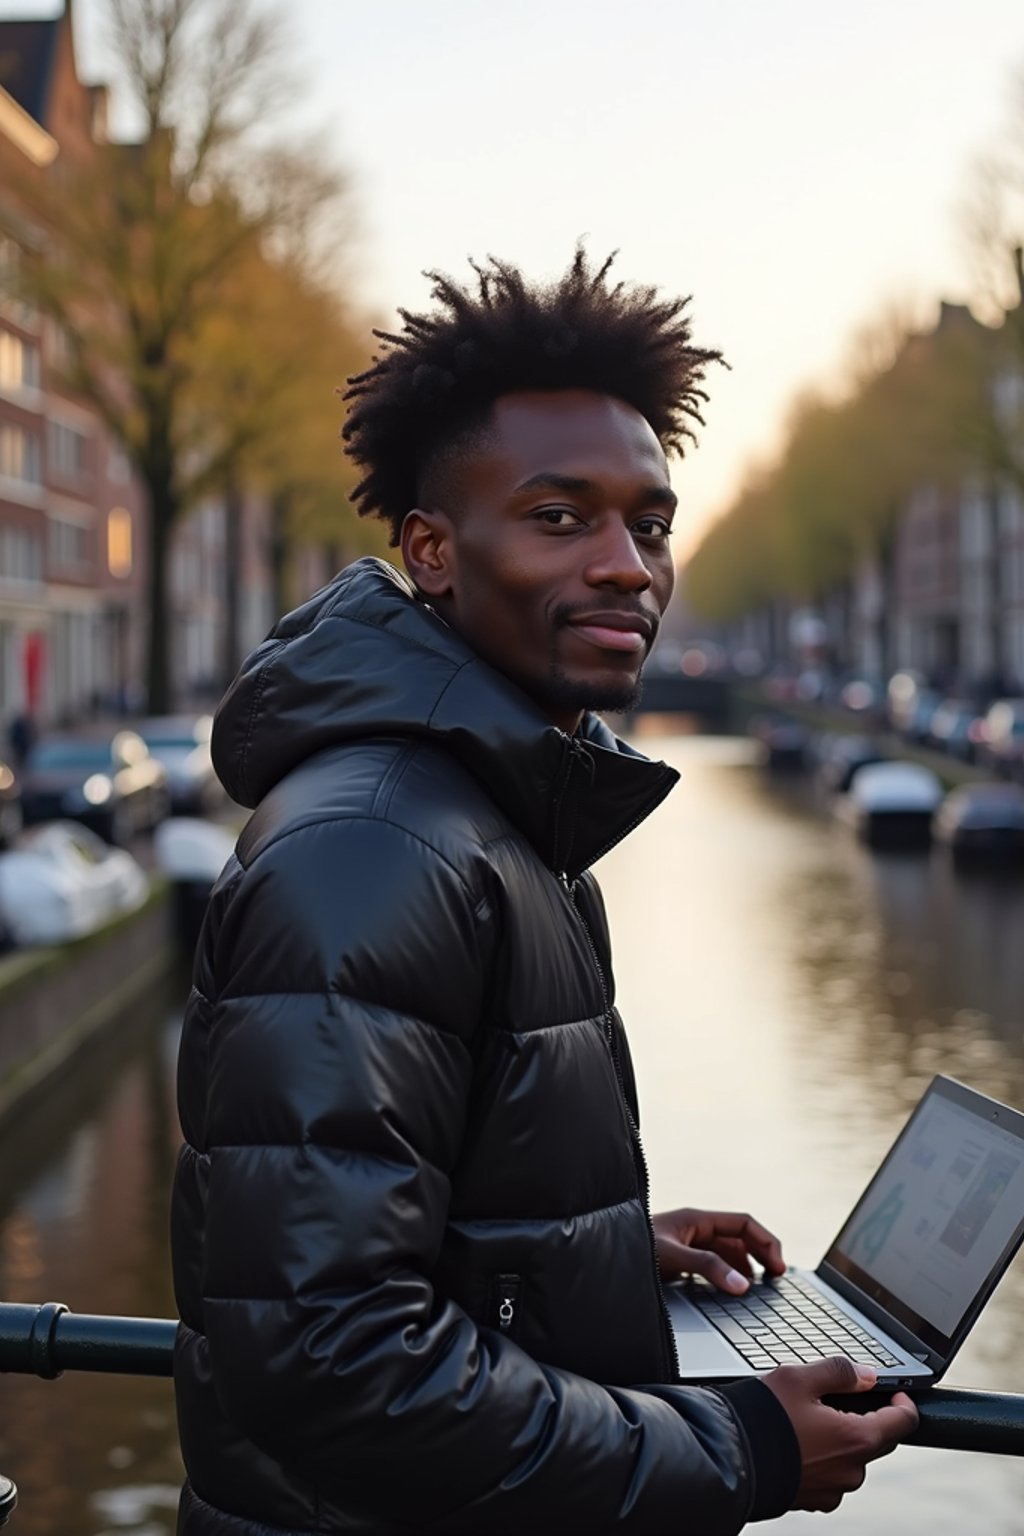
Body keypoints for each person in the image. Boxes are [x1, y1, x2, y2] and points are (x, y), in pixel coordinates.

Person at [171, 250, 918, 1536]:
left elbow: (383, 1241)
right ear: (432, 551)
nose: (630, 565)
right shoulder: (376, 851)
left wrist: (593, 1253)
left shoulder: (499, 811)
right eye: (559, 517)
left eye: (650, 522)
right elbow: (330, 1354)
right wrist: (736, 1447)